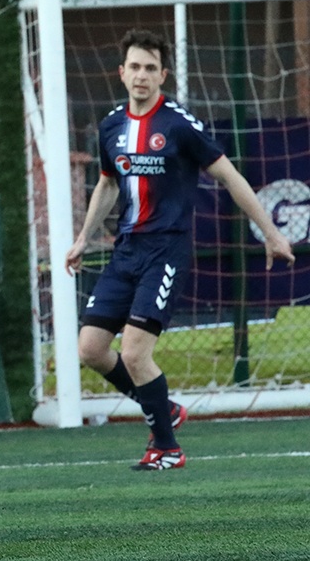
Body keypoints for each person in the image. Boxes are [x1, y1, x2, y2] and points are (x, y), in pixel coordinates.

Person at [64, 28, 295, 470]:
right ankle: (164, 408)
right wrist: (82, 238)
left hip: (165, 251)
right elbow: (108, 184)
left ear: (162, 75)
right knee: (91, 348)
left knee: (135, 353)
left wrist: (269, 231)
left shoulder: (179, 124)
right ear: (122, 72)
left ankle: (167, 448)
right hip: (125, 251)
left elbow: (230, 176)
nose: (141, 75)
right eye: (135, 67)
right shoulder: (111, 126)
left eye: (150, 68)